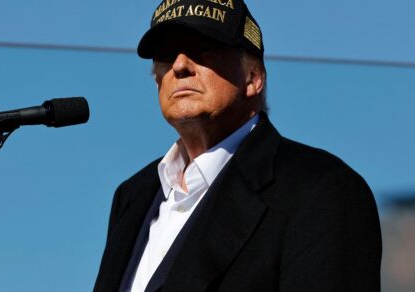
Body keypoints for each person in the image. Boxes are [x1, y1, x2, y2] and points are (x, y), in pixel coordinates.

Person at [94, 0, 382, 291]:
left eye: (201, 49)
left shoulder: (320, 189)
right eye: (166, 55)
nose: (180, 66)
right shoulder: (132, 196)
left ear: (253, 78)